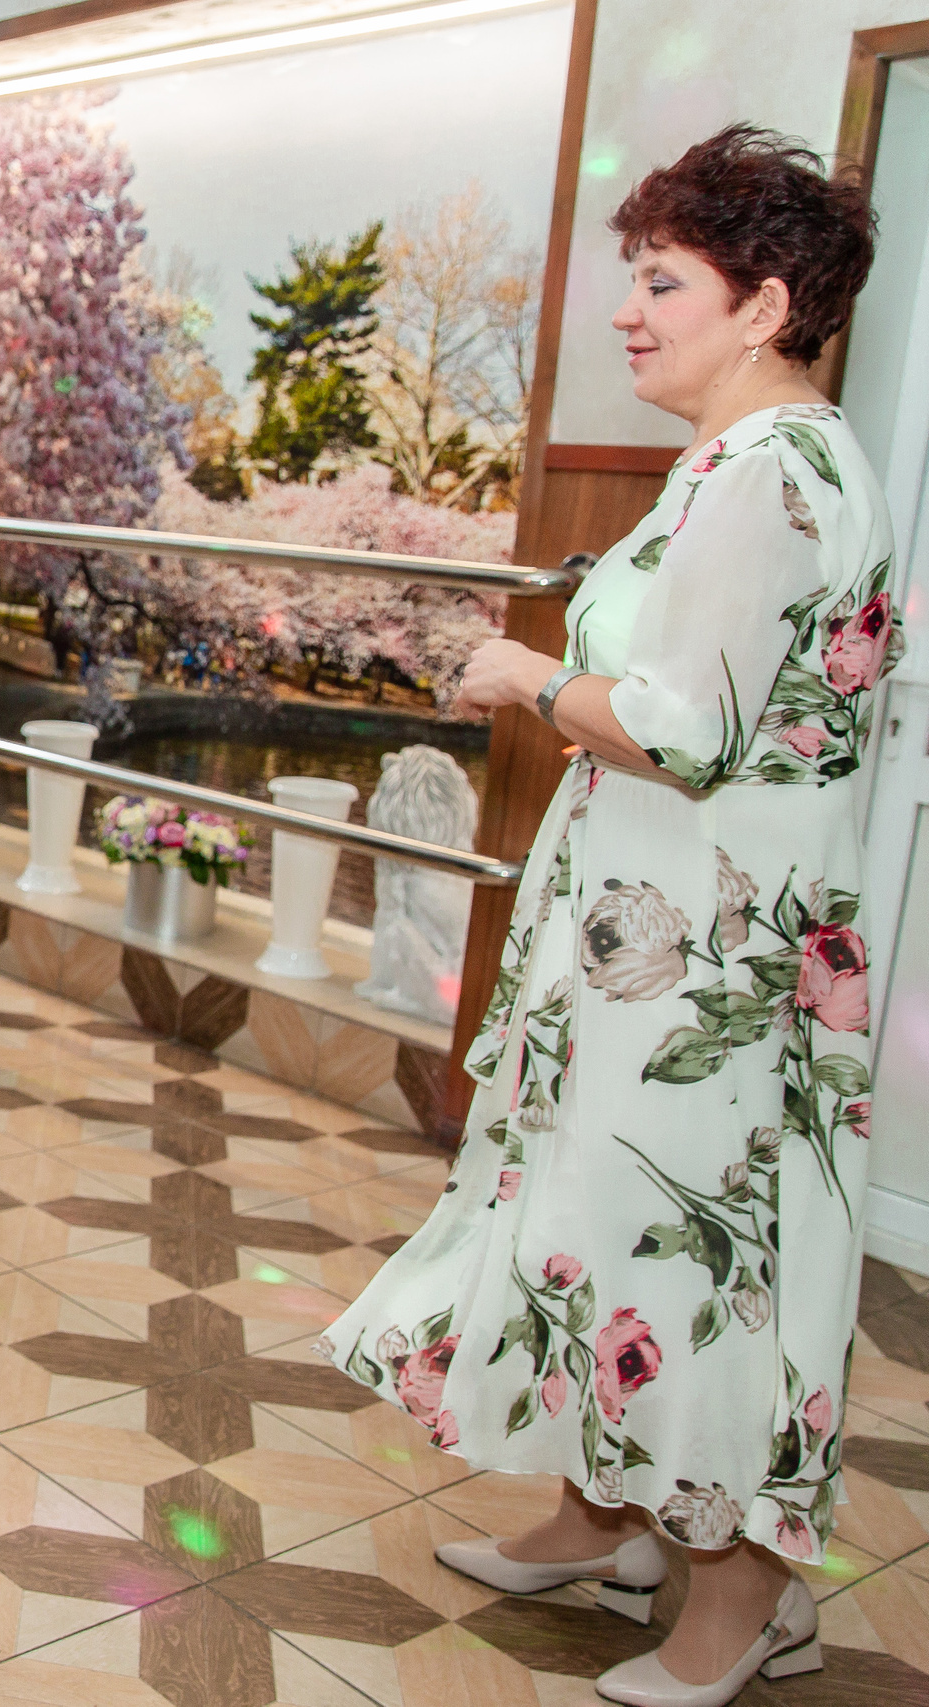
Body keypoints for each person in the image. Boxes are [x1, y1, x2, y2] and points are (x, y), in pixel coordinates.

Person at [321, 127, 898, 1707]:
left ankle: (743, 1597)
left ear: (764, 305)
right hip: (678, 935)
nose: (629, 314)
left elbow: (686, 726)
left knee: (698, 1247)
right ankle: (612, 1517)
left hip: (711, 956)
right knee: (624, 1217)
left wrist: (532, 675)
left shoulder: (768, 473)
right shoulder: (749, 459)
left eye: (663, 283)